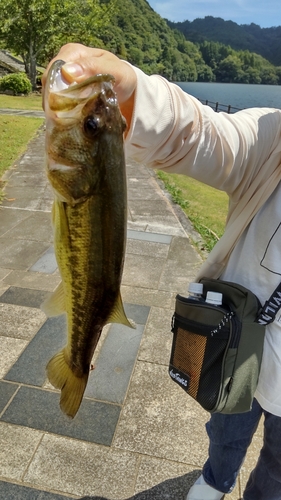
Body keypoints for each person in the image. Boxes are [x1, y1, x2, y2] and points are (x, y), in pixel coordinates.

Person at [43, 43, 281, 500]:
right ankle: (214, 479)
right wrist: (131, 92)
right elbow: (201, 133)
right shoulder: (272, 140)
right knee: (227, 425)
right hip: (238, 344)